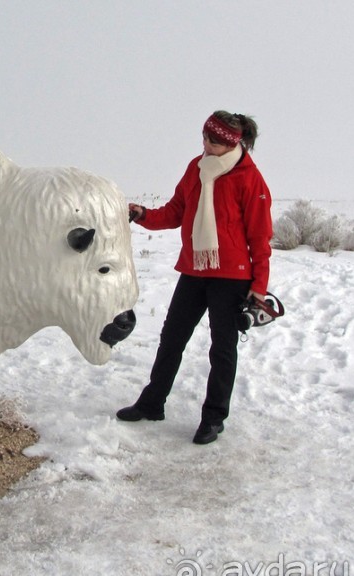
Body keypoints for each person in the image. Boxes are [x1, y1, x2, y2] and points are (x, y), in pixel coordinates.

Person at [117, 110, 273, 444]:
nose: (205, 145)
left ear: (230, 143)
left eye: (213, 141)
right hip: (193, 270)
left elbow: (260, 239)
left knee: (222, 349)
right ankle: (152, 404)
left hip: (231, 277)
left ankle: (214, 418)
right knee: (171, 338)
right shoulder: (196, 168)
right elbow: (176, 211)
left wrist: (258, 288)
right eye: (204, 137)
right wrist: (143, 215)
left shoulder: (249, 179)